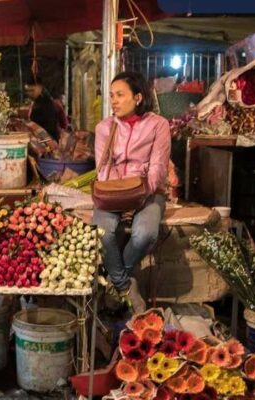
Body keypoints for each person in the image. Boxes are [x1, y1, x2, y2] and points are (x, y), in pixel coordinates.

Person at [92, 71, 171, 314]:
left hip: (148, 191)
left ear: (137, 97)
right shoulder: (105, 127)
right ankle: (126, 286)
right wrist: (120, 193)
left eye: (120, 95)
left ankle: (115, 282)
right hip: (113, 192)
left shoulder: (159, 125)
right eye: (111, 95)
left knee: (145, 234)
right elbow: (102, 167)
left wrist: (140, 194)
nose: (113, 100)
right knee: (103, 234)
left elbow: (158, 165)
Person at [24, 76, 61, 141]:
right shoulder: (36, 101)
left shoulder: (46, 103)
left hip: (47, 141)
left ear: (40, 88)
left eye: (32, 90)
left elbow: (50, 127)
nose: (29, 93)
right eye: (27, 91)